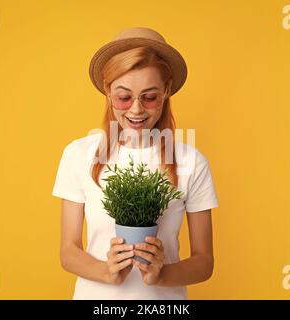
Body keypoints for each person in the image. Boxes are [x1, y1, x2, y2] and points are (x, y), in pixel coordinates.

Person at [52, 27, 219, 299]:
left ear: (166, 91)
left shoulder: (192, 162)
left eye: (150, 97)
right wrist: (106, 271)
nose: (136, 109)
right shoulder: (78, 154)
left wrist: (162, 274)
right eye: (124, 96)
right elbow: (68, 251)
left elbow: (204, 261)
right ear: (107, 91)